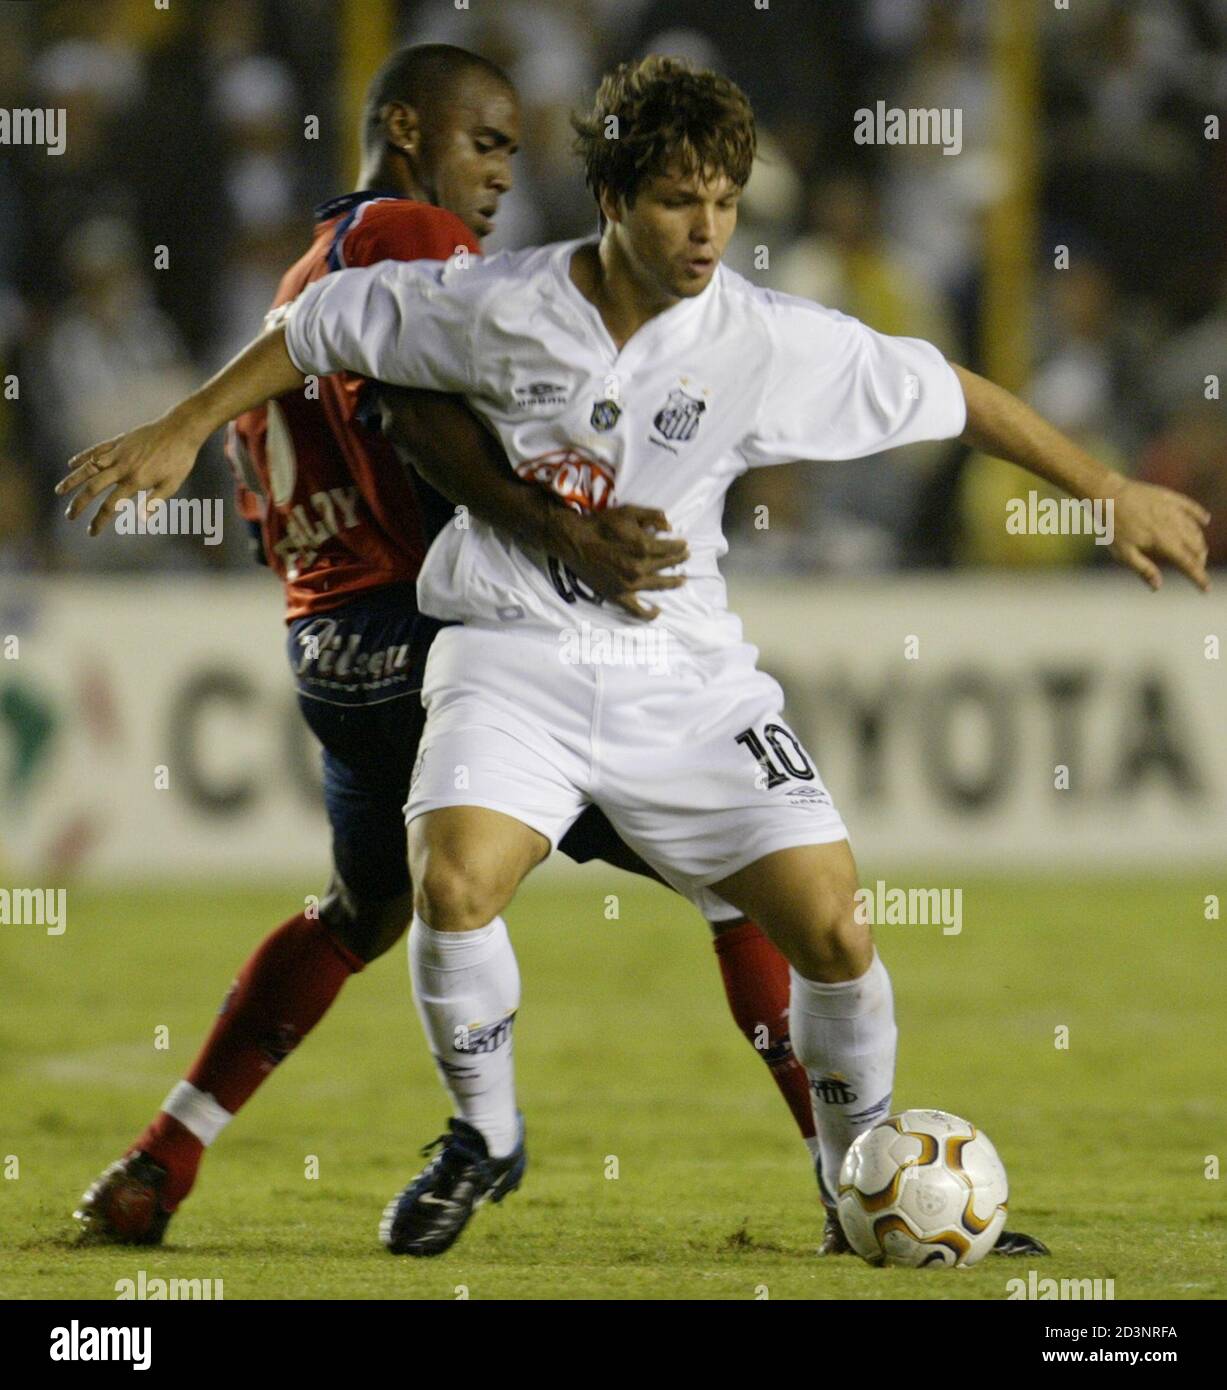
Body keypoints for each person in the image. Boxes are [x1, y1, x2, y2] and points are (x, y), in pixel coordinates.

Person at [64, 56, 1203, 1261]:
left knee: (834, 929)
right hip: (511, 654)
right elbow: (319, 326)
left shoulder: (760, 338)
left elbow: (952, 392)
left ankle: (857, 1184)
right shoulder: (497, 299)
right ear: (612, 198)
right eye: (676, 200)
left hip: (683, 676)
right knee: (451, 885)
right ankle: (487, 1136)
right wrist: (180, 425)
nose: (707, 228)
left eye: (724, 200)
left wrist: (1107, 488)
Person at [67, 46, 825, 1253]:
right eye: (486, 145)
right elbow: (417, 414)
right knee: (746, 873)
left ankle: (161, 1157)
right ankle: (850, 1179)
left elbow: (294, 480)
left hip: (328, 648)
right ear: (408, 130)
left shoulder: (302, 276)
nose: (499, 181)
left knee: (361, 909)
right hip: (432, 640)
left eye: (513, 156)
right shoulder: (408, 234)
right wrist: (562, 527)